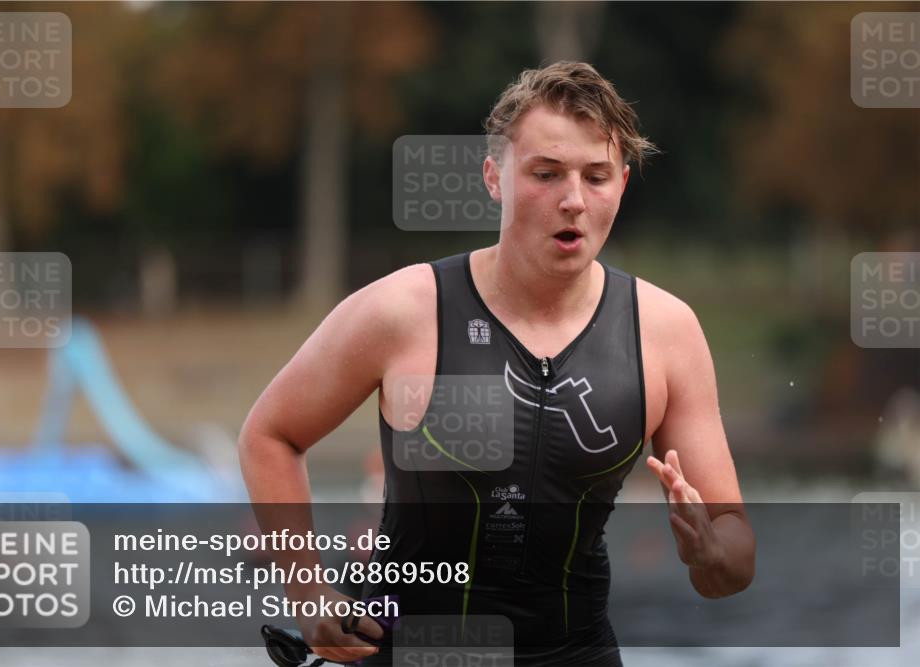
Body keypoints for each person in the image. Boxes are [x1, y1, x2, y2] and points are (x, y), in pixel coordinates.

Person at [240, 61, 755, 666]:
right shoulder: (404, 310)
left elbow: (733, 552)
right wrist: (308, 592)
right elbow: (270, 435)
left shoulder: (666, 333)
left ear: (623, 183)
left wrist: (710, 554)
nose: (573, 200)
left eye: (597, 176)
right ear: (494, 177)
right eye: (546, 173)